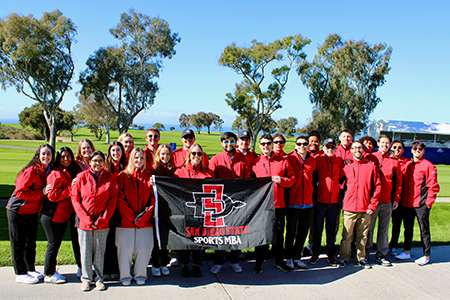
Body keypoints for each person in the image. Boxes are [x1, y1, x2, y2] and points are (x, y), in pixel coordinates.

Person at [246, 134, 296, 273]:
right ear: (259, 146)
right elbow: (249, 184)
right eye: (263, 144)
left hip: (279, 205)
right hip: (261, 206)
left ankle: (279, 261)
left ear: (272, 144)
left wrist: (281, 181)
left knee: (279, 235)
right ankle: (259, 262)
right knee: (260, 234)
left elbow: (292, 178)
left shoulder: (283, 161)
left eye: (268, 143)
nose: (266, 146)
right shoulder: (254, 163)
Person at [7, 144, 54, 284]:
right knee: (18, 242)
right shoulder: (31, 171)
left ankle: (30, 269)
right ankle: (20, 273)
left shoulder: (48, 171)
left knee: (30, 242)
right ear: (38, 156)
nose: (46, 156)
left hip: (32, 211)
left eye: (49, 154)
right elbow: (20, 192)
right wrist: (41, 192)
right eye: (43, 154)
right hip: (18, 210)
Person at [71, 151, 118, 291]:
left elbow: (112, 201)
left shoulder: (110, 178)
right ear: (90, 162)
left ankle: (99, 278)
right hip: (84, 222)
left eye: (100, 161)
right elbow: (75, 199)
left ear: (104, 162)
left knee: (99, 251)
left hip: (102, 223)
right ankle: (86, 278)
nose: (97, 163)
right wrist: (86, 219)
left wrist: (102, 220)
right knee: (85, 251)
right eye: (95, 161)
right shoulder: (81, 177)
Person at [395, 141, 440, 266]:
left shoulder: (428, 165)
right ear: (412, 150)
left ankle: (426, 255)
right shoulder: (408, 164)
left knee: (424, 230)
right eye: (415, 148)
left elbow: (433, 186)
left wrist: (428, 203)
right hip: (407, 203)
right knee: (407, 229)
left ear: (424, 151)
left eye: (420, 149)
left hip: (421, 204)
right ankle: (406, 252)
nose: (417, 150)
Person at [208, 132, 247, 274]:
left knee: (237, 232)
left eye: (231, 141)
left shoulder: (244, 159)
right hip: (221, 203)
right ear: (222, 144)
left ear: (235, 142)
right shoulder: (215, 160)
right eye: (225, 142)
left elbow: (248, 179)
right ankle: (218, 262)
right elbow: (211, 180)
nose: (228, 144)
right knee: (221, 233)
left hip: (239, 202)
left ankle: (235, 260)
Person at [174, 144, 214, 278]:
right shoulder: (180, 172)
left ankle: (197, 265)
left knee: (200, 239)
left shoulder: (208, 173)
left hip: (202, 213)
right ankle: (185, 265)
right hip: (185, 212)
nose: (196, 156)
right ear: (189, 155)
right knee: (185, 239)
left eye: (199, 154)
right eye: (193, 153)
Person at [339, 141, 381, 269]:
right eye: (355, 148)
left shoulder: (371, 166)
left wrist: (372, 205)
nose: (358, 150)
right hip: (349, 207)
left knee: (362, 236)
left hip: (365, 208)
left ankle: (361, 258)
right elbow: (339, 183)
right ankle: (344, 258)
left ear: (363, 149)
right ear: (351, 150)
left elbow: (377, 186)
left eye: (360, 147)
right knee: (346, 236)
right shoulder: (346, 166)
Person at [42, 147, 81, 284]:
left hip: (62, 216)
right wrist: (71, 188)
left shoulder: (68, 172)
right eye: (63, 156)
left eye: (68, 156)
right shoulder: (55, 173)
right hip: (52, 215)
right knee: (53, 244)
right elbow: (52, 195)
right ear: (58, 158)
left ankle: (51, 270)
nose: (66, 159)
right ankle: (48, 273)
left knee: (56, 243)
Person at [116, 148, 155, 285]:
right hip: (126, 222)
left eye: (142, 158)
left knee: (144, 249)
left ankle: (140, 274)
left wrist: (142, 218)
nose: (139, 161)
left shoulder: (149, 177)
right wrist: (132, 218)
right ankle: (125, 276)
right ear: (131, 159)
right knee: (125, 250)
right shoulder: (122, 176)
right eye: (136, 158)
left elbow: (152, 199)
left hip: (145, 222)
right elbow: (120, 199)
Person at [365, 135, 402, 266]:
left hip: (387, 200)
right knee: (369, 228)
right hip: (372, 200)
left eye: (387, 143)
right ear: (378, 143)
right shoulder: (370, 157)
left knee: (383, 229)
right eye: (383, 143)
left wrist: (396, 198)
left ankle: (381, 254)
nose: (385, 145)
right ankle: (366, 253)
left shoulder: (394, 161)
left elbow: (398, 182)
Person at [310, 138, 343, 266]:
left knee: (331, 230)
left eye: (332, 147)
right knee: (317, 229)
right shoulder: (317, 159)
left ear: (336, 149)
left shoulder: (339, 161)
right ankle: (315, 253)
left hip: (334, 201)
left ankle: (330, 254)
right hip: (320, 200)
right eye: (327, 147)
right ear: (323, 148)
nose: (330, 149)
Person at [285, 136, 316, 270]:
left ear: (308, 145)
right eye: (299, 144)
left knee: (302, 232)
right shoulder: (289, 158)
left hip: (308, 202)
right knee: (291, 232)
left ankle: (298, 257)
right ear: (296, 145)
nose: (302, 146)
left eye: (305, 144)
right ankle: (289, 257)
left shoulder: (313, 160)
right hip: (293, 202)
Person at [103, 142, 127, 281]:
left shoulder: (126, 167)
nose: (116, 153)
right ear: (109, 152)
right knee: (107, 240)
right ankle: (107, 268)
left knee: (119, 240)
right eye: (113, 150)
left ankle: (117, 268)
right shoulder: (106, 167)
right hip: (108, 207)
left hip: (121, 208)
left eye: (118, 150)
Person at [150, 144, 175, 277]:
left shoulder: (174, 171)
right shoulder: (152, 171)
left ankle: (164, 263)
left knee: (166, 237)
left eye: (167, 154)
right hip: (155, 210)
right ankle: (155, 263)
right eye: (162, 154)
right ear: (158, 156)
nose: (165, 157)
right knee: (156, 237)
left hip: (169, 210)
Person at [389, 140, 412, 256]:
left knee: (397, 223)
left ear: (403, 150)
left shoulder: (407, 162)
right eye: (394, 147)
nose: (397, 150)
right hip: (386, 196)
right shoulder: (387, 160)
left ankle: (393, 245)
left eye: (399, 148)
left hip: (400, 198)